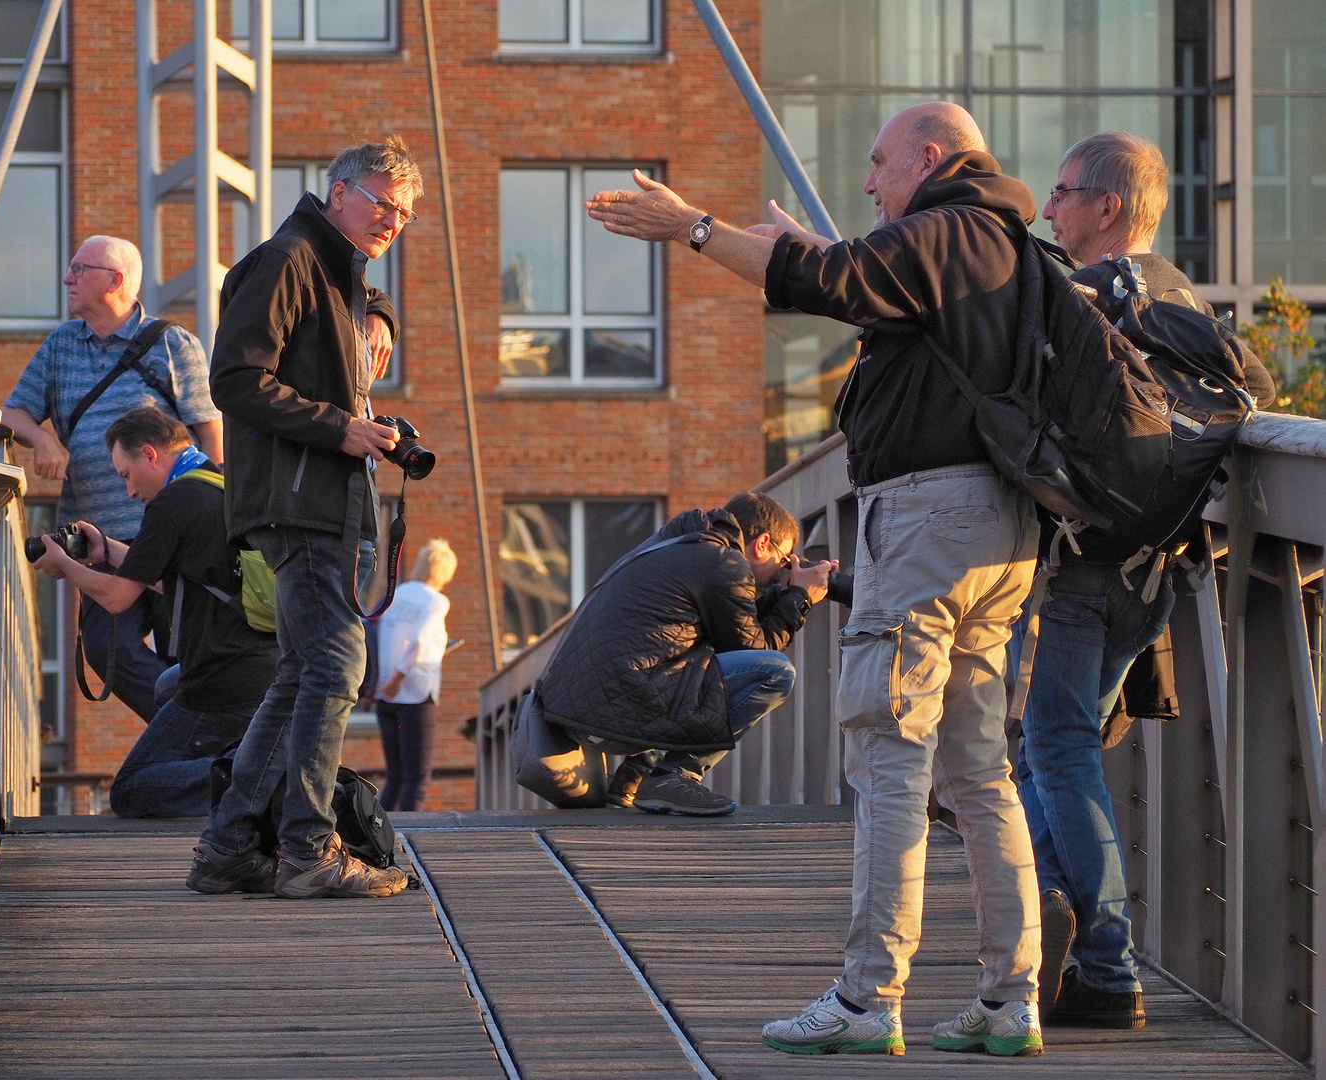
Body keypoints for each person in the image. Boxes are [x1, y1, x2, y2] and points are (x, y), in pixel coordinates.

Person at [588, 102, 1046, 1057]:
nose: (872, 183)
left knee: (888, 761)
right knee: (979, 773)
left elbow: (834, 279)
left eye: (879, 165)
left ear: (930, 157)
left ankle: (866, 998)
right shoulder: (1000, 242)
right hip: (997, 528)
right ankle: (1011, 1003)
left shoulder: (948, 227)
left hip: (926, 522)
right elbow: (852, 285)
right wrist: (814, 253)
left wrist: (694, 229)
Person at [1017, 131, 1276, 1030]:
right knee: (1049, 748)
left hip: (1079, 566)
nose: (1048, 210)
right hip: (1157, 569)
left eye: (1060, 193)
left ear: (1107, 207)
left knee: (1053, 749)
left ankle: (1105, 960)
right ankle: (1055, 915)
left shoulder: (1080, 298)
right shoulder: (1180, 298)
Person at [188, 137, 418, 900]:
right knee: (334, 667)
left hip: (313, 502)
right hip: (299, 503)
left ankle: (226, 848)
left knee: (300, 672)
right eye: (383, 202)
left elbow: (337, 313)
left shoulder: (331, 270)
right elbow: (234, 378)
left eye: (405, 212)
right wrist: (340, 427)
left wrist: (377, 313)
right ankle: (307, 848)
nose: (394, 220)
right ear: (340, 192)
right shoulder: (289, 259)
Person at [2, 235, 222, 724]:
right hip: (99, 538)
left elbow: (210, 435)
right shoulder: (62, 343)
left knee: (183, 652)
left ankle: (198, 744)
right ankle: (187, 729)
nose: (68, 279)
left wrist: (212, 515)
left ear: (115, 280)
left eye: (80, 269)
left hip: (171, 534)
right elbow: (12, 412)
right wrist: (42, 441)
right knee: (107, 651)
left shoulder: (173, 344)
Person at [31, 407, 278, 817]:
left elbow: (115, 599)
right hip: (263, 669)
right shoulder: (216, 483)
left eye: (126, 475)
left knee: (130, 790)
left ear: (149, 454)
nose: (128, 492)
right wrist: (106, 548)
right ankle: (249, 763)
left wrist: (66, 566)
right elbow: (179, 583)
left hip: (223, 680)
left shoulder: (171, 504)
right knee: (164, 686)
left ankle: (254, 778)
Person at [537, 493, 834, 817]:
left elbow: (728, 629)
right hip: (618, 705)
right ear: (762, 544)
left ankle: (632, 781)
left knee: (690, 662)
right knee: (775, 672)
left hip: (580, 705)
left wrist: (781, 595)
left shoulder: (684, 543)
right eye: (784, 558)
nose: (783, 569)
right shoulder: (725, 563)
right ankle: (673, 776)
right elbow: (754, 653)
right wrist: (799, 597)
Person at [374, 539, 458, 812]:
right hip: (414, 696)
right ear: (444, 572)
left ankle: (375, 833)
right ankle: (410, 835)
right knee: (416, 778)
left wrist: (379, 685)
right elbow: (420, 642)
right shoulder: (436, 601)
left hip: (385, 700)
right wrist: (398, 679)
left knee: (395, 776)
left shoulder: (394, 595)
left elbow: (376, 639)